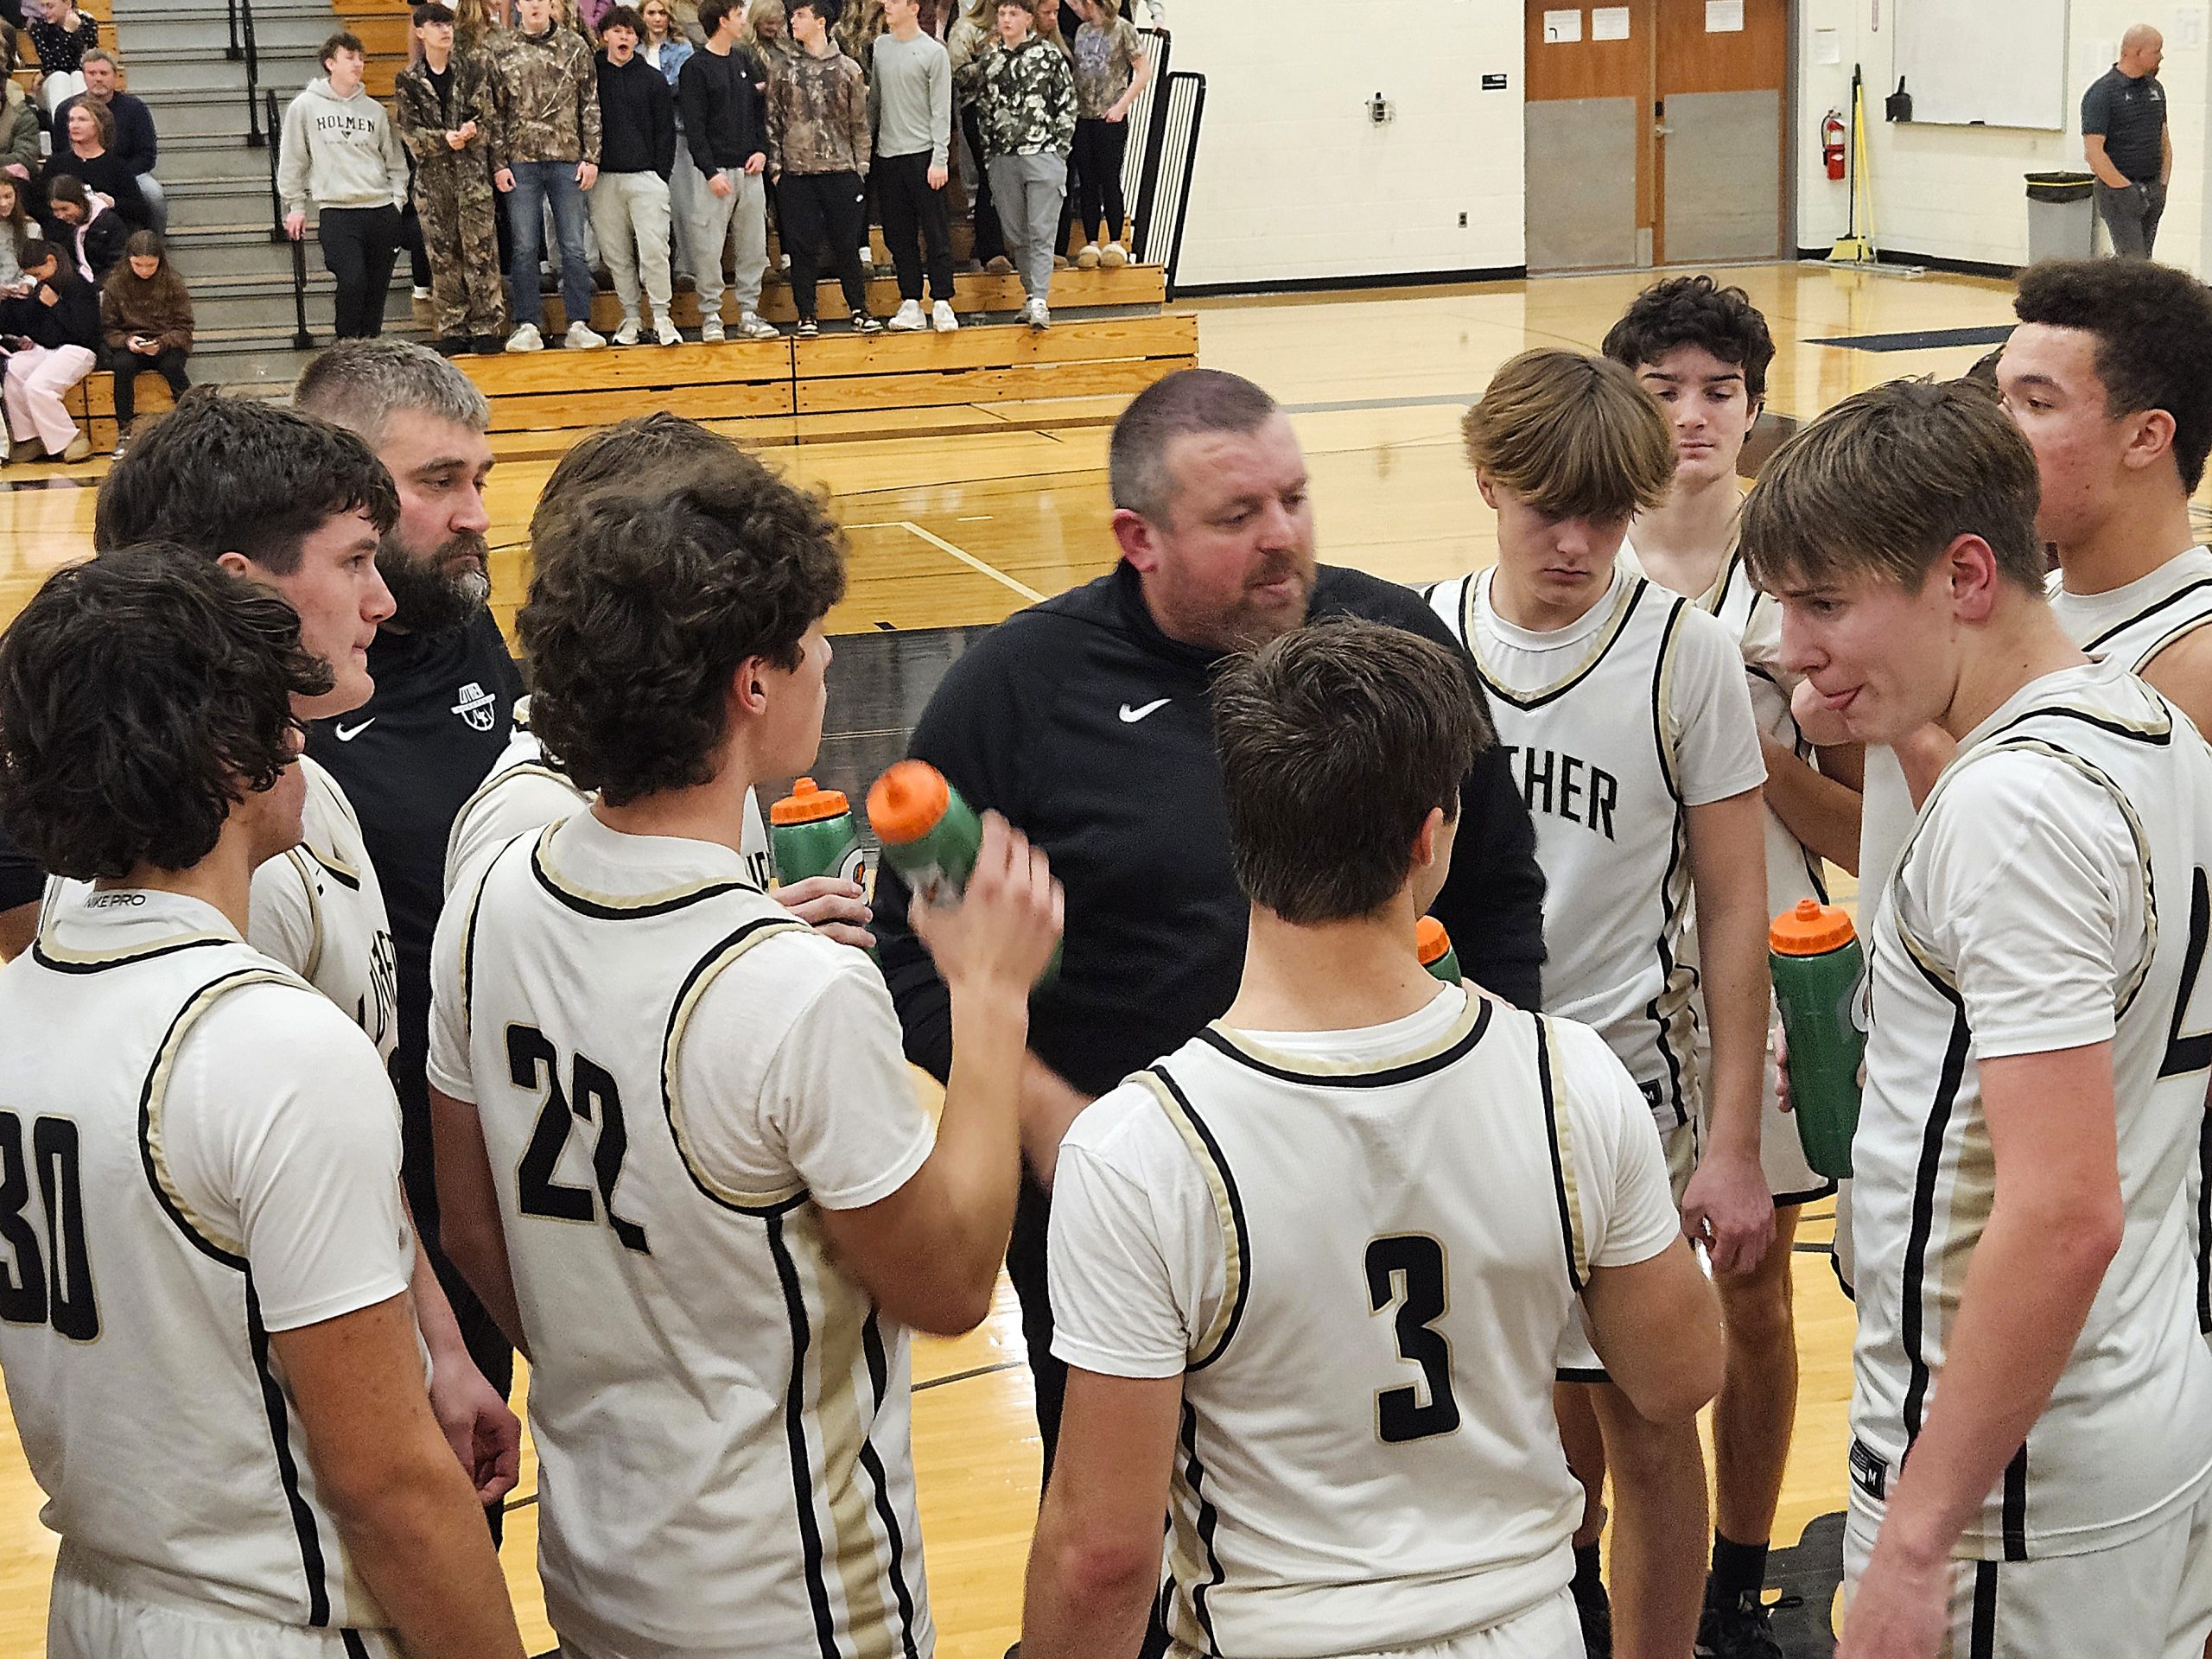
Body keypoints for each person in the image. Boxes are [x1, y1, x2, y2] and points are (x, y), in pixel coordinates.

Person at [429, 447, 1062, 1659]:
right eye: (813, 638)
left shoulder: (493, 892)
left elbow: (472, 1226)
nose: (830, 658)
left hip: (597, 1566)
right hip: (790, 1601)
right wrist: (989, 1002)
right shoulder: (795, 991)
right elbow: (947, 1286)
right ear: (753, 685)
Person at [873, 369, 1548, 1503]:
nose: (1283, 539)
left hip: (1381, 1205)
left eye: (1293, 498)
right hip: (1124, 1219)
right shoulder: (1016, 694)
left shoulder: (1392, 641)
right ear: (1137, 536)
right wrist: (1051, 1121)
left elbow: (1497, 893)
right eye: (1238, 518)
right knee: (1121, 1541)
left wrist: (1505, 1100)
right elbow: (910, 956)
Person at [1021, 620, 1722, 1659]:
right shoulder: (1569, 1080)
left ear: (1241, 829)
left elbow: (1103, 1558)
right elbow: (1678, 1378)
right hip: (1526, 1630)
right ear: (1429, 837)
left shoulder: (1139, 1150)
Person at [1740, 377, 2212, 1659]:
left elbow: (2063, 1215)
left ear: (1962, 575)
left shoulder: (2017, 815)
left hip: (2016, 1488)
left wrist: (1911, 1543)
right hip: (2131, 1416)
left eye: (1824, 602)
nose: (1788, 643)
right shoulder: (2154, 732)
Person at [0, 548, 531, 1659]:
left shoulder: (19, 1007)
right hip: (278, 1614)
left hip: (95, 1597)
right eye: (275, 716)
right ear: (233, 755)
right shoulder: (271, 1046)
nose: (301, 736)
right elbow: (387, 1486)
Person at [1425, 350, 1771, 1659]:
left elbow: (1736, 906)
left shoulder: (1687, 657)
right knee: (1491, 1408)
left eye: (1604, 515)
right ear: (1485, 485)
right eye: (1543, 509)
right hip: (1453, 1088)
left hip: (1628, 1088)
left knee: (1649, 1415)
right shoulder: (1422, 632)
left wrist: (1734, 1142)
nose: (1575, 543)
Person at [1599, 275, 1859, 1659]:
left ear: (1755, 408)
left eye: (1720, 391)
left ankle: (1739, 1575)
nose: (1694, 417)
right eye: (1664, 390)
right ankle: (1601, 1574)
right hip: (1615, 982)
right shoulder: (1584, 557)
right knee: (1598, 1301)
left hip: (1771, 967)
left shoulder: (1801, 574)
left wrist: (1751, 756)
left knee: (1757, 1287)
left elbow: (1874, 830)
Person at [293, 339, 525, 1500]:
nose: (475, 512)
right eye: (439, 484)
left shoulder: (463, 628)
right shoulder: (272, 693)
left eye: (481, 478)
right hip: (331, 1214)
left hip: (472, 1190)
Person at [488, 0, 607, 352]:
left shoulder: (574, 46)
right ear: (519, 5)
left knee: (573, 246)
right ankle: (527, 324)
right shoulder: (500, 48)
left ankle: (579, 323)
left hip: (568, 159)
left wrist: (592, 157)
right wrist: (498, 162)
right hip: (519, 161)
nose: (536, 4)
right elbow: (492, 110)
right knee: (524, 247)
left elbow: (590, 103)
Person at [395, 3, 509, 355]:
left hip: (472, 177)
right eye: (436, 25)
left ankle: (488, 324)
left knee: (481, 252)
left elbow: (488, 117)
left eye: (448, 24)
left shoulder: (472, 70)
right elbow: (411, 133)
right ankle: (453, 325)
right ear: (420, 31)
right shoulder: (408, 81)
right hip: (434, 182)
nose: (445, 30)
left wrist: (473, 132)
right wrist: (444, 139)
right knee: (443, 256)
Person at [280, 34, 410, 340]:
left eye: (361, 58)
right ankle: (345, 347)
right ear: (330, 63)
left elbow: (396, 163)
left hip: (380, 209)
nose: (358, 64)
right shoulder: (305, 107)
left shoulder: (375, 111)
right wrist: (295, 206)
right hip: (338, 212)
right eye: (350, 57)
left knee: (377, 290)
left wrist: (397, 202)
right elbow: (293, 159)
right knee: (353, 281)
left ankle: (370, 351)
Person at [767, 0, 880, 337]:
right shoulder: (782, 69)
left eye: (800, 15)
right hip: (796, 173)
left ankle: (859, 309)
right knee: (802, 249)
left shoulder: (848, 68)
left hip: (841, 170)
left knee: (847, 245)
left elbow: (860, 124)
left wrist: (860, 168)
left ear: (820, 22)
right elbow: (772, 120)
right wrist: (776, 169)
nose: (792, 22)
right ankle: (806, 315)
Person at [967, 0, 1073, 328]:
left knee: (1042, 231)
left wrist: (1058, 153)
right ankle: (1031, 295)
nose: (1006, 20)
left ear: (1028, 18)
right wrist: (990, 157)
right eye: (1002, 14)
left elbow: (1067, 104)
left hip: (1042, 154)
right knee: (1018, 232)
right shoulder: (990, 61)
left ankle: (1041, 298)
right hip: (1004, 157)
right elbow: (982, 111)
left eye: (1013, 14)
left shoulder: (1050, 56)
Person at [677, 0, 779, 340]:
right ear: (722, 20)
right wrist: (709, 171)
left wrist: (761, 152)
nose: (743, 20)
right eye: (738, 15)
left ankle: (749, 312)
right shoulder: (695, 68)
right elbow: (695, 127)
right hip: (714, 173)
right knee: (708, 248)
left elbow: (755, 116)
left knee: (754, 247)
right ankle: (711, 316)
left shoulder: (742, 60)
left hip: (749, 170)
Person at [593, 4, 682, 344]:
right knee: (616, 256)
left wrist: (660, 175)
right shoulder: (592, 75)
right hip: (603, 180)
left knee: (655, 251)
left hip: (647, 178)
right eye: (617, 31)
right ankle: (631, 317)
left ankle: (662, 316)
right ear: (605, 37)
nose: (624, 36)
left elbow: (666, 133)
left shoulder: (653, 79)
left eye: (630, 32)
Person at [870, 0, 958, 332]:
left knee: (935, 231)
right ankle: (910, 300)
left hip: (924, 155)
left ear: (912, 7)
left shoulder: (934, 53)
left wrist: (940, 158)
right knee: (898, 234)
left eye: (893, 2)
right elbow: (875, 101)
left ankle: (942, 300)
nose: (886, 6)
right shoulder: (880, 48)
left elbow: (941, 110)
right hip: (888, 155)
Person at [2, 237, 98, 463]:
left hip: (80, 349)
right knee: (13, 370)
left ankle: (70, 439)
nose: (36, 279)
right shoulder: (41, 288)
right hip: (48, 348)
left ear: (51, 261)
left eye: (37, 273)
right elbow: (37, 326)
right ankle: (31, 438)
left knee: (37, 386)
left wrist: (57, 305)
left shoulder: (79, 284)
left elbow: (85, 331)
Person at [1063, 0, 1141, 269]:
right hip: (1084, 115)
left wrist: (1122, 105)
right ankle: (1092, 241)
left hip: (1111, 114)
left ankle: (1117, 241)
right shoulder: (1083, 32)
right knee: (1087, 180)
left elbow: (1144, 71)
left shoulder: (1123, 29)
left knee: (1109, 177)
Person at [99, 229, 191, 452]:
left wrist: (162, 343)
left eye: (151, 265)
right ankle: (125, 430)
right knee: (122, 366)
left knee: (172, 366)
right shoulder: (115, 284)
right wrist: (128, 340)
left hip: (167, 343)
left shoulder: (173, 282)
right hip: (131, 344)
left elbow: (185, 327)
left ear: (160, 261)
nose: (145, 271)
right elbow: (109, 329)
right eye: (138, 265)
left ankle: (192, 420)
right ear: (129, 261)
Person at [2083, 24, 2168, 258]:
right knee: (2134, 263)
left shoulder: (2156, 89)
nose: (2161, 56)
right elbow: (2094, 153)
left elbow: (2164, 140)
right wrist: (2125, 189)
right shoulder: (2102, 93)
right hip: (2119, 191)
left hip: (2151, 188)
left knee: (2144, 260)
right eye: (2156, 51)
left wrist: (2162, 184)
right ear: (2135, 52)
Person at [54, 50, 161, 231]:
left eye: (103, 73)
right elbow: (60, 151)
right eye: (92, 73)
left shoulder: (135, 108)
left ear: (115, 76)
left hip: (128, 173)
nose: (98, 79)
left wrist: (117, 175)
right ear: (84, 76)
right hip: (77, 172)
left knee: (154, 194)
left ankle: (151, 244)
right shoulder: (66, 109)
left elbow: (146, 154)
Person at [946, 0, 1008, 273]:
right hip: (977, 108)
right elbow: (959, 73)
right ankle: (990, 248)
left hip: (1011, 108)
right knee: (988, 174)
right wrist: (991, 60)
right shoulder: (965, 28)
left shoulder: (1014, 26)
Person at [640, 0, 698, 286]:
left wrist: (651, 91)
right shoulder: (635, 48)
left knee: (682, 203)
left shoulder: (682, 48)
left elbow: (681, 87)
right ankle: (650, 271)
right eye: (651, 12)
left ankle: (687, 267)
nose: (657, 18)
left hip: (677, 131)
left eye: (662, 12)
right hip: (641, 135)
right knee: (647, 208)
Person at [39, 98, 149, 232]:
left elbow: (139, 210)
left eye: (82, 120)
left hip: (105, 237)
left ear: (99, 125)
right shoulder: (55, 164)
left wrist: (112, 203)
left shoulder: (116, 166)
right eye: (71, 120)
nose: (74, 125)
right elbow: (39, 205)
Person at [42, 175, 125, 285]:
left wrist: (94, 288)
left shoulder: (109, 223)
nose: (60, 215)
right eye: (55, 210)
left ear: (80, 203)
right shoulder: (56, 224)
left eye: (65, 209)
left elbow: (117, 264)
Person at [23, 0, 93, 113]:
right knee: (59, 77)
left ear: (67, 4)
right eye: (42, 6)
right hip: (51, 83)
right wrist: (67, 33)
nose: (45, 11)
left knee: (78, 75)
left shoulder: (87, 22)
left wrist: (74, 34)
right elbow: (51, 64)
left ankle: (82, 121)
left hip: (78, 79)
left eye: (50, 6)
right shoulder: (38, 26)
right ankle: (62, 128)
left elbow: (86, 62)